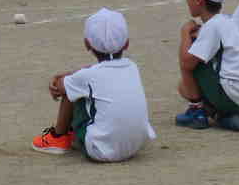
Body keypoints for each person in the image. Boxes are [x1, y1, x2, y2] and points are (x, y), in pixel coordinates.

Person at [30, 8, 154, 159]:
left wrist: (58, 80)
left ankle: (58, 137)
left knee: (73, 91)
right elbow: (97, 74)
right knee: (82, 87)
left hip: (100, 150)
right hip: (136, 145)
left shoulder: (88, 76)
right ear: (126, 43)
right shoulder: (133, 67)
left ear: (87, 44)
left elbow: (61, 86)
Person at [173, 0, 239, 130]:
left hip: (233, 96)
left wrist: (185, 33)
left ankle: (197, 113)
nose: (186, 0)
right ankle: (223, 115)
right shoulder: (225, 21)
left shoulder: (212, 26)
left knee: (187, 72)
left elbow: (186, 62)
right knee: (192, 74)